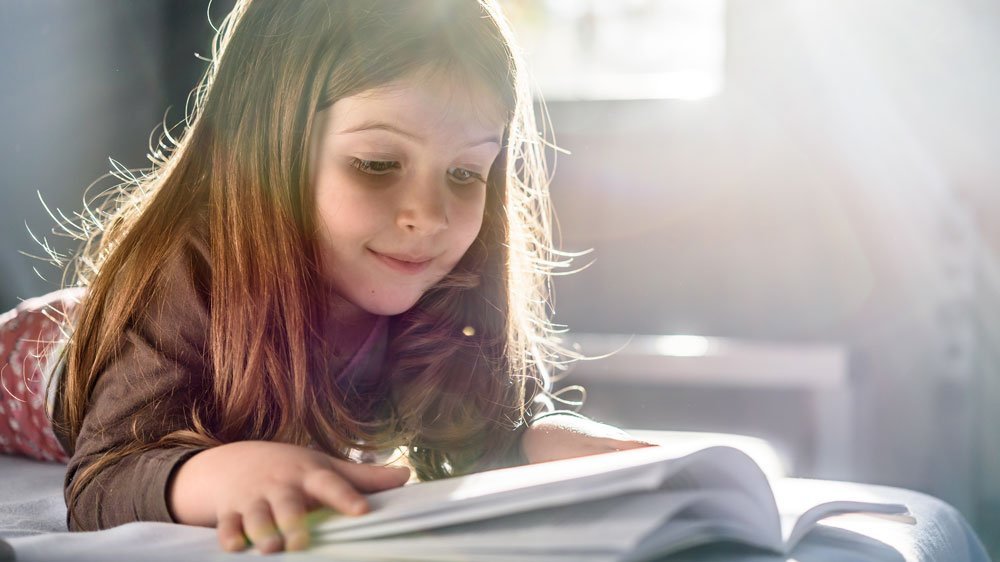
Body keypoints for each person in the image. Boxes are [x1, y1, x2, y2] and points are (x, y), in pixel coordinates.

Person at [0, 0, 651, 553]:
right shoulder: (183, 276)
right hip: (43, 347)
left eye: (464, 174)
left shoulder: (445, 289)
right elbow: (104, 478)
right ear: (267, 153)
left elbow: (490, 425)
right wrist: (217, 473)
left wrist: (576, 444)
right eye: (374, 163)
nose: (429, 216)